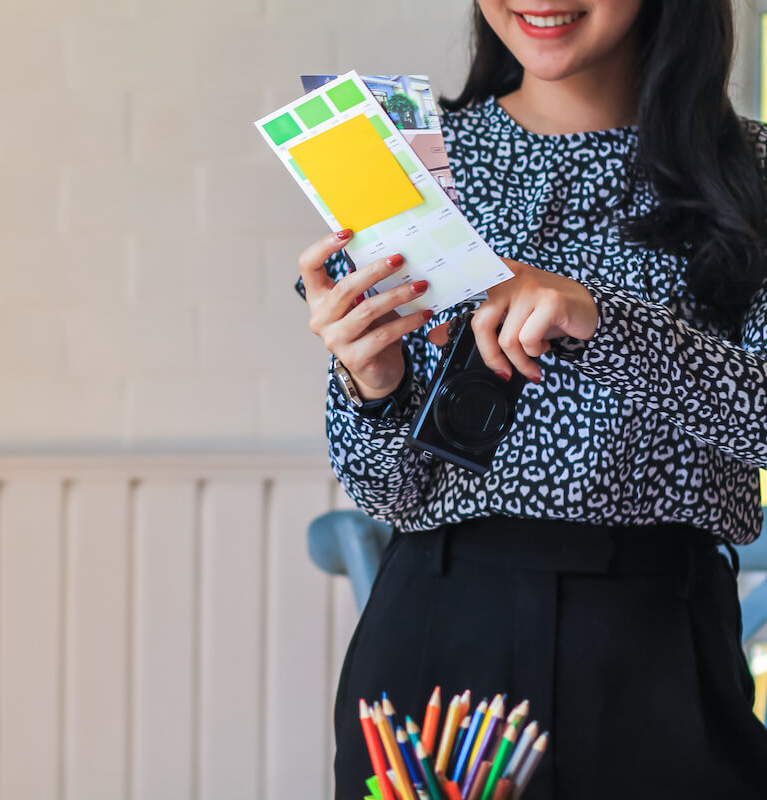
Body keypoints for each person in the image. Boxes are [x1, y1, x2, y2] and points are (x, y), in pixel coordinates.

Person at [296, 1, 767, 798]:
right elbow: (386, 491)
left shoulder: (752, 172)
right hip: (436, 648)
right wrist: (371, 389)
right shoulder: (408, 162)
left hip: (664, 655)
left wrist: (604, 320)